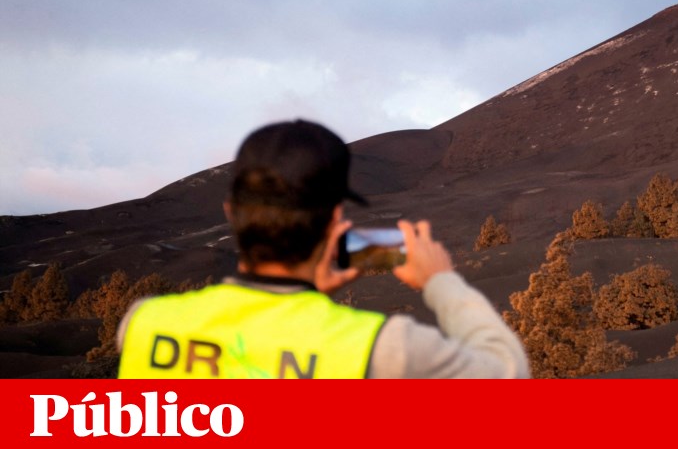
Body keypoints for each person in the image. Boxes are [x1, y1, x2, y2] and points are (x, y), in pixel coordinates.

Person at [116, 119, 528, 378]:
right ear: (334, 221)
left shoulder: (142, 325)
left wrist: (307, 299)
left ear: (232, 212)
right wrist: (441, 281)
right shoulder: (384, 348)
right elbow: (507, 373)